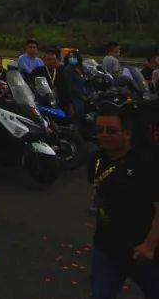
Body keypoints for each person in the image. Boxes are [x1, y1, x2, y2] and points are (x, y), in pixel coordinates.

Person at [88, 104, 159, 299]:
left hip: (141, 250)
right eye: (100, 130)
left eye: (111, 131)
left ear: (127, 134)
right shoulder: (96, 160)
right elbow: (99, 192)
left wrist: (149, 246)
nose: (104, 135)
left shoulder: (146, 164)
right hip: (106, 247)